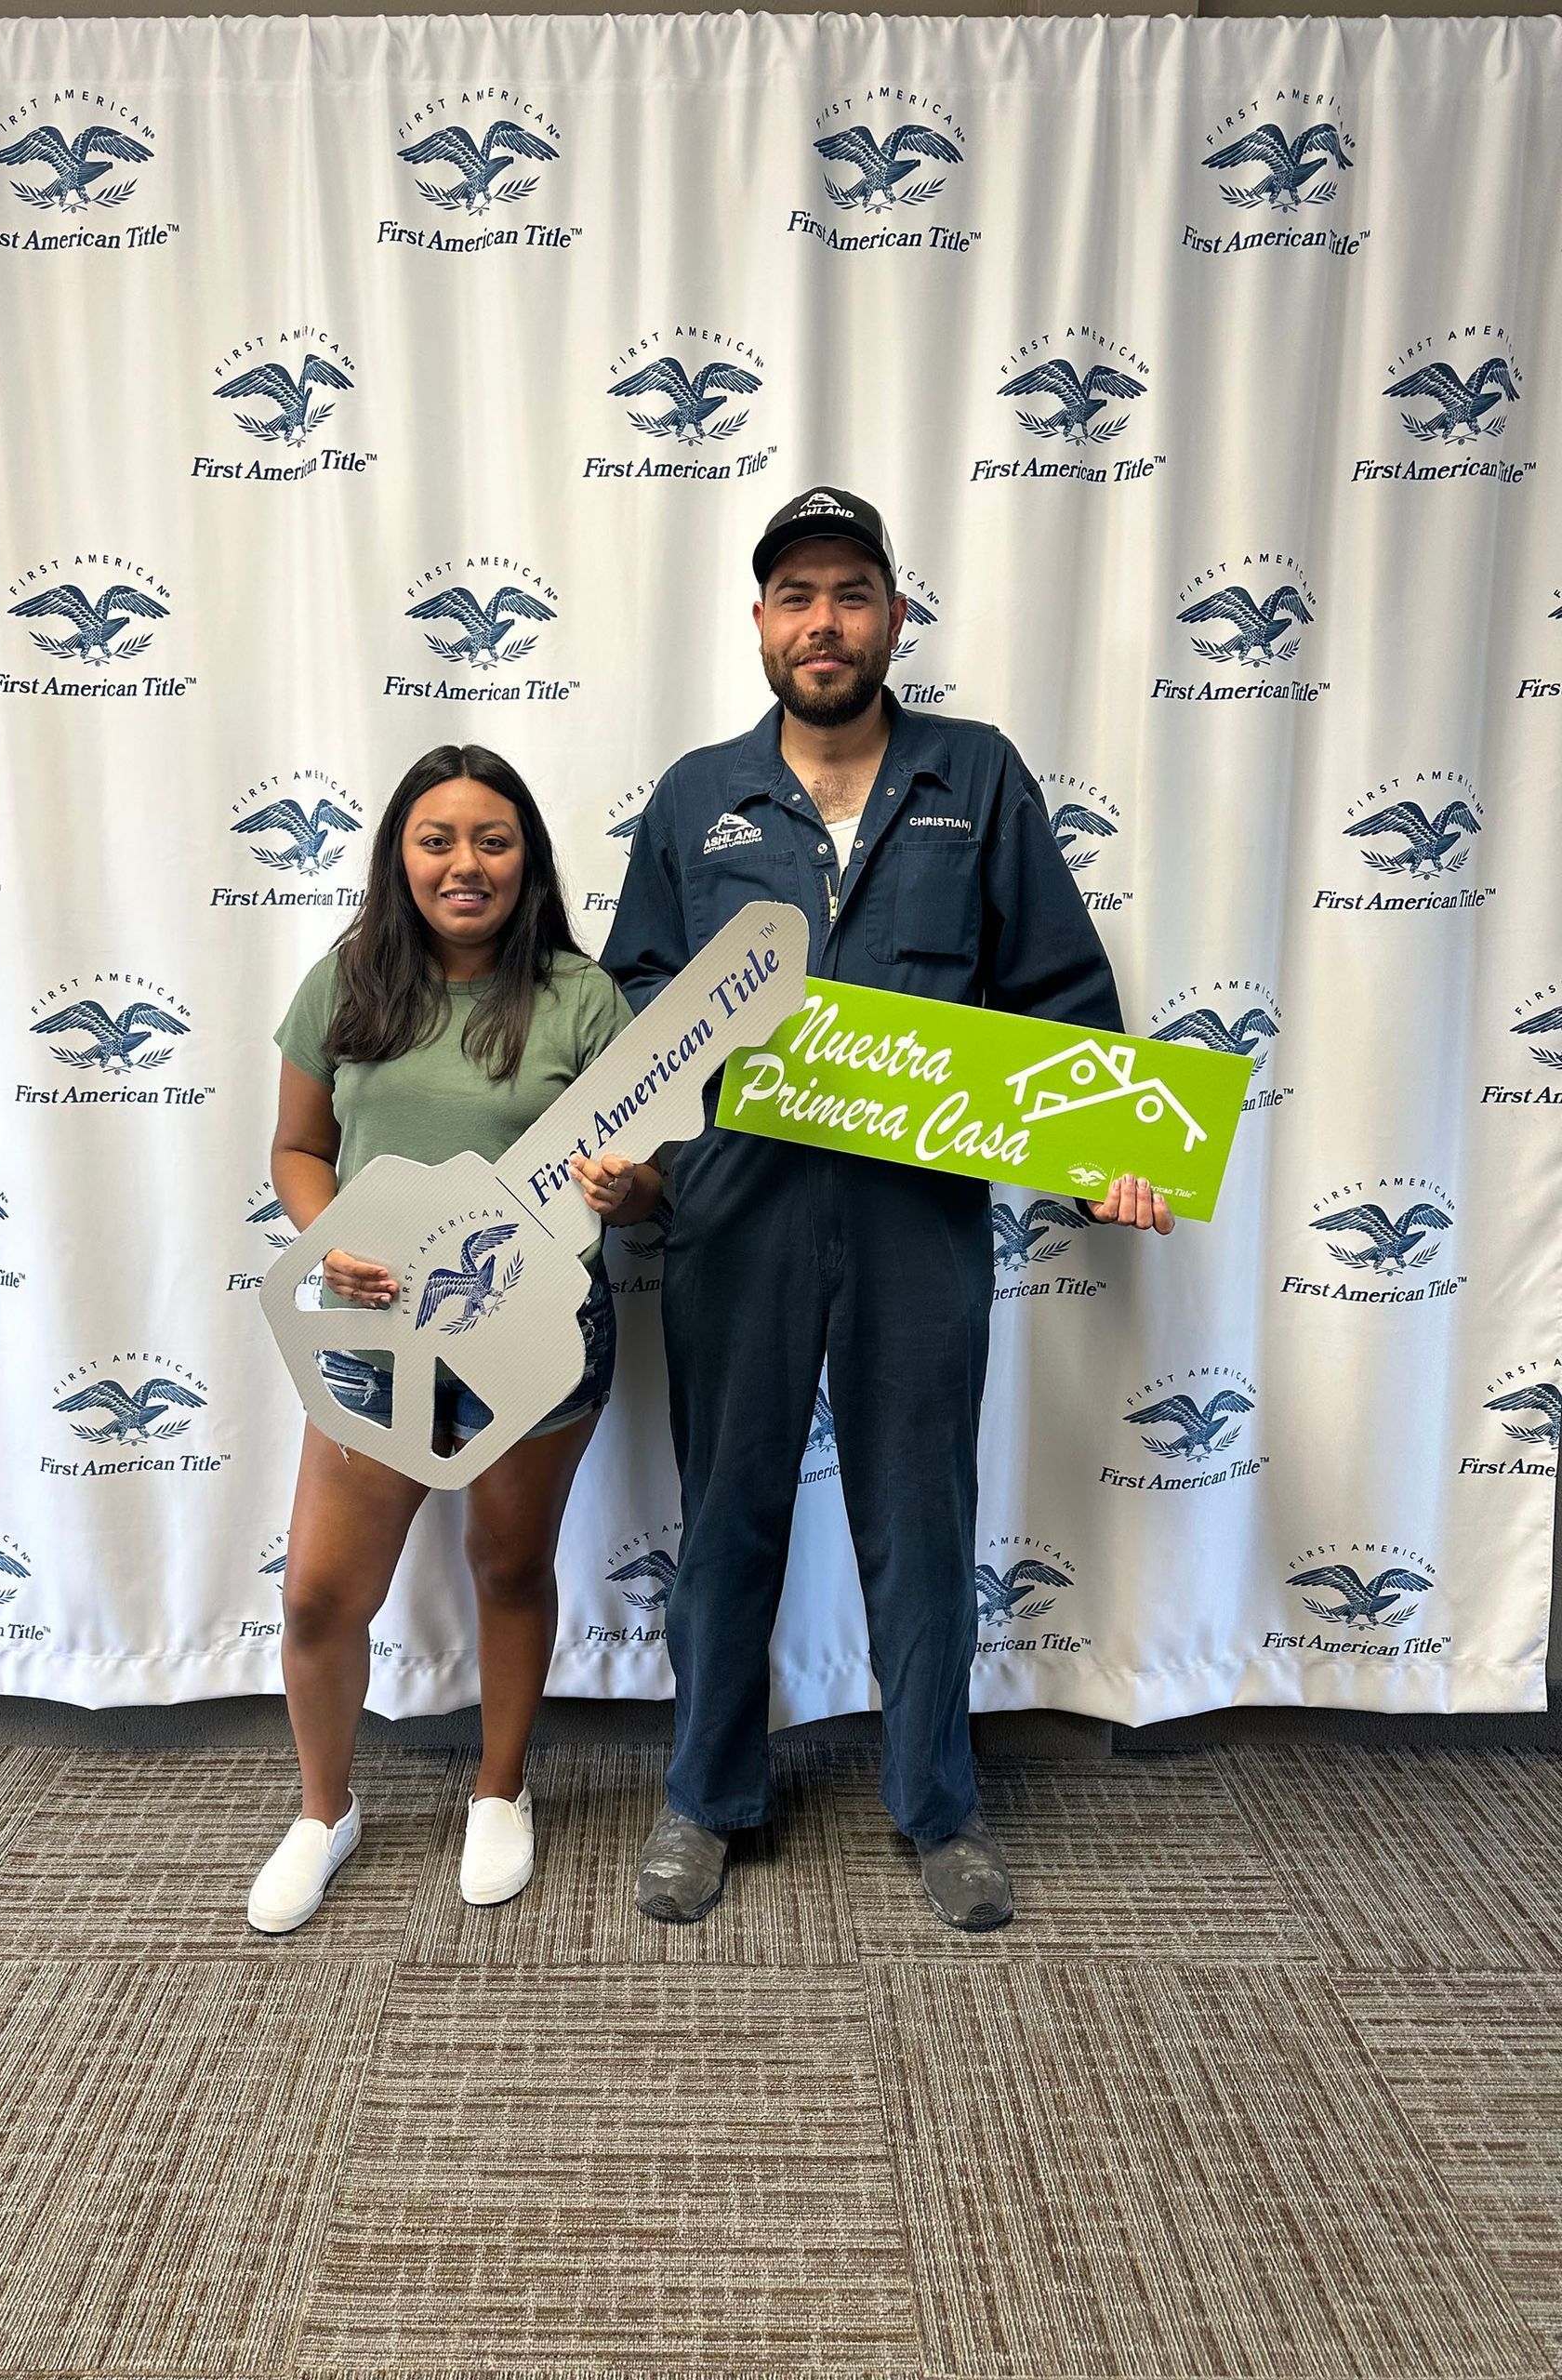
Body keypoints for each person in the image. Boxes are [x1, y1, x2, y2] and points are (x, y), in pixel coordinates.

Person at [602, 487, 1173, 1932]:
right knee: (727, 1510)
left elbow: (1053, 988)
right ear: (759, 625)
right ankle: (705, 1795)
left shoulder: (973, 775)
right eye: (796, 597)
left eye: (851, 594)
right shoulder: (697, 796)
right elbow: (633, 995)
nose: (824, 622)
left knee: (923, 1515)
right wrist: (648, 1133)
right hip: (737, 1205)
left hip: (916, 1211)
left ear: (894, 619)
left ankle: (938, 1805)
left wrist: (1106, 1148)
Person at [251, 744, 660, 1932]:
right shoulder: (346, 981)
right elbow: (298, 1147)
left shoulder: (584, 999)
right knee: (320, 1595)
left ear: (528, 858)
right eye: (437, 840)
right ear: (401, 856)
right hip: (376, 1338)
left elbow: (650, 1192)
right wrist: (329, 1237)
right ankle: (324, 1812)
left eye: (493, 839)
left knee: (509, 1565)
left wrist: (626, 1186)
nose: (464, 863)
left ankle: (500, 1788)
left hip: (533, 1338)